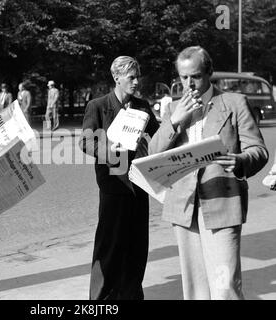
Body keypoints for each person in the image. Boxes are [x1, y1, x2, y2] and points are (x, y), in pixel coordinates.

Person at [148, 46, 268, 300]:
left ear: (209, 73)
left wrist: (240, 161)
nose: (189, 83)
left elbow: (258, 150)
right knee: (195, 289)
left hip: (222, 202)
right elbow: (153, 153)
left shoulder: (233, 103)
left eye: (196, 76)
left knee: (225, 287)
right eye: (183, 77)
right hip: (184, 204)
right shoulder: (173, 109)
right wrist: (175, 120)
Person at [79, 56, 159, 300]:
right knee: (110, 245)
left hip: (139, 185)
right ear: (116, 78)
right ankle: (101, 298)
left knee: (136, 245)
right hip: (113, 185)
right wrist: (108, 151)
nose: (136, 82)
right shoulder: (97, 105)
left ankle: (131, 294)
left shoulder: (143, 107)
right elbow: (86, 141)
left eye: (138, 77)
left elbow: (159, 139)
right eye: (131, 77)